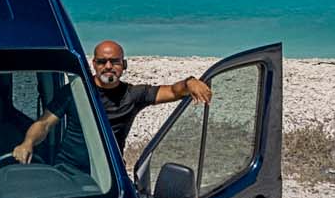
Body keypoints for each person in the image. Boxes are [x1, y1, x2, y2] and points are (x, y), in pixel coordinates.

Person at [12, 40, 211, 165]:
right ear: (94, 65)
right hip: (68, 170)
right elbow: (44, 123)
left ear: (123, 65)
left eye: (114, 61)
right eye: (102, 62)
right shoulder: (76, 91)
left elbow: (172, 91)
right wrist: (27, 143)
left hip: (110, 174)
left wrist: (190, 82)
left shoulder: (133, 95)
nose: (108, 67)